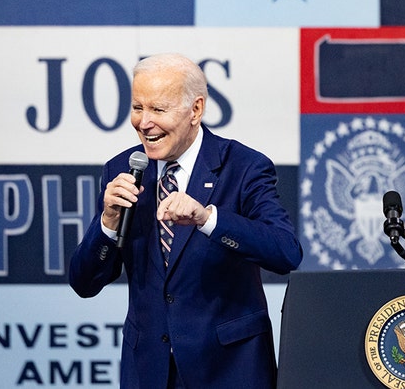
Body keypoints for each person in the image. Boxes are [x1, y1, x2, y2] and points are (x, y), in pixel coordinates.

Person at [69, 53, 303, 388]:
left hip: (229, 371)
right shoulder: (122, 170)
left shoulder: (244, 167)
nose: (144, 122)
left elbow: (286, 252)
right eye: (138, 107)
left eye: (158, 110)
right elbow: (84, 282)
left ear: (195, 110)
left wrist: (208, 219)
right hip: (149, 372)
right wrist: (107, 222)